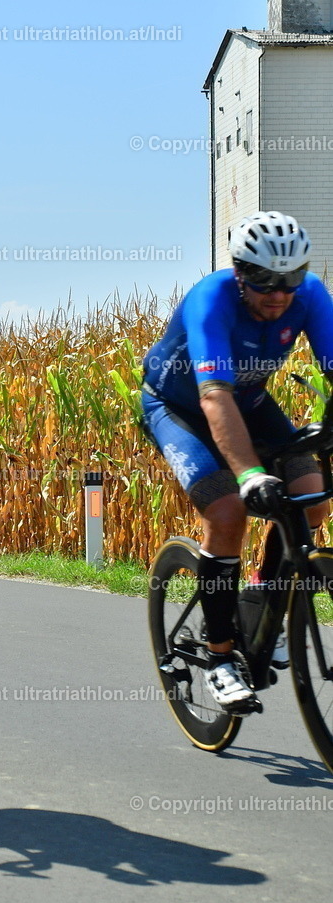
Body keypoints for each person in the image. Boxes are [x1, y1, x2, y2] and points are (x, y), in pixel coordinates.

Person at [141, 210, 333, 712]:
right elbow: (213, 398)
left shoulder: (310, 296)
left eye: (289, 279)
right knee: (228, 512)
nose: (278, 293)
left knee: (311, 500)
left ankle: (262, 598)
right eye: (264, 280)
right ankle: (221, 655)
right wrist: (248, 474)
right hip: (183, 408)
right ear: (240, 272)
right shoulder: (212, 299)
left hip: (248, 403)